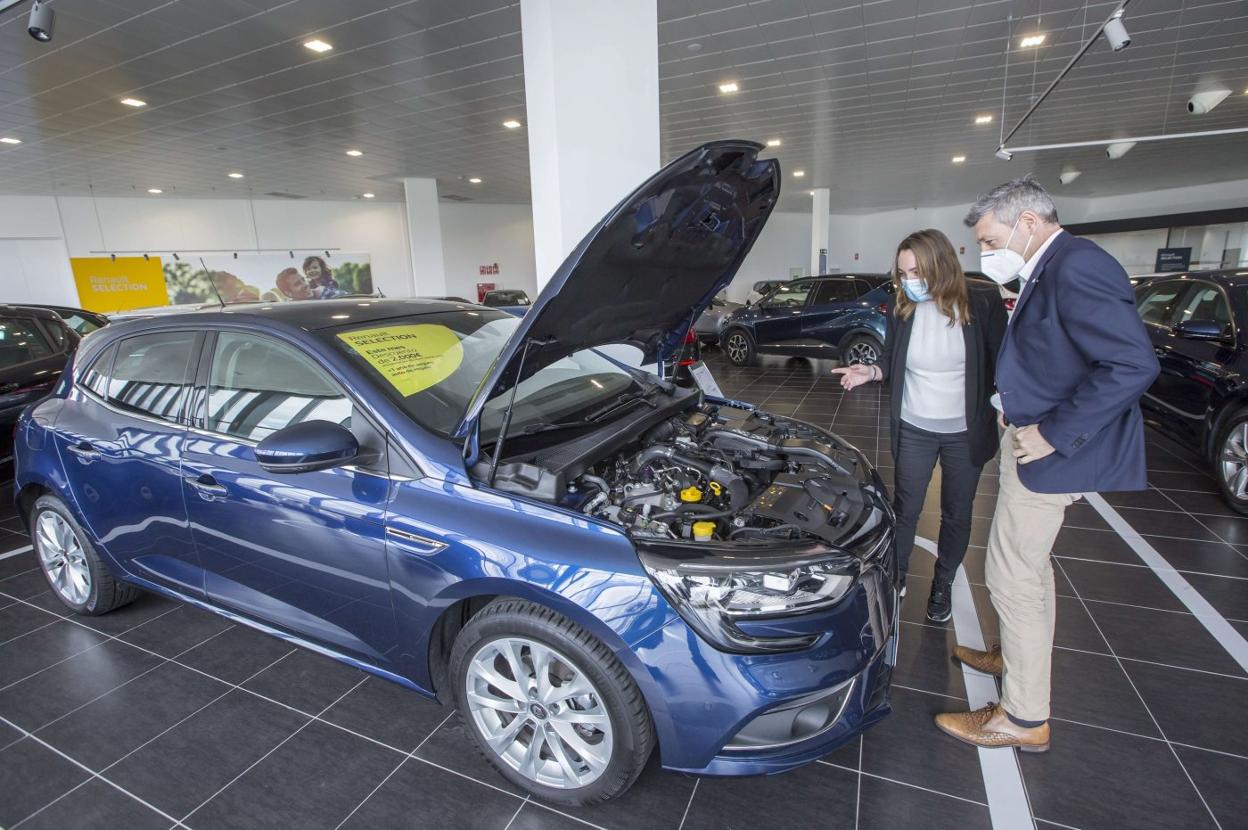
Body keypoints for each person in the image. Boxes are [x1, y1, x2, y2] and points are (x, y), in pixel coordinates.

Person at [934, 175, 1159, 752]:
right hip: (1031, 439)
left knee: (1011, 576)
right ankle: (1012, 655)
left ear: (1028, 223)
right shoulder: (1053, 266)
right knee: (1025, 571)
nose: (985, 253)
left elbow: (1132, 364)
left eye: (989, 240)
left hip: (1051, 449)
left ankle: (1023, 717)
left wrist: (1054, 433)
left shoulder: (1077, 266)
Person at [833, 229, 1007, 623]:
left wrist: (1010, 403)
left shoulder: (982, 301)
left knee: (957, 512)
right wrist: (872, 371)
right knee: (906, 508)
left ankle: (942, 583)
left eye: (916, 272)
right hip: (914, 425)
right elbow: (893, 359)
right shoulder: (902, 308)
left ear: (942, 266)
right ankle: (898, 578)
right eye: (902, 273)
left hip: (965, 430)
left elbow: (1003, 360)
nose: (909, 281)